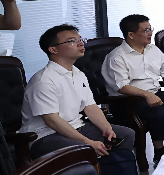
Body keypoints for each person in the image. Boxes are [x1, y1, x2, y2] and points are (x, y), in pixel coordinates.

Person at [20, 24, 137, 161]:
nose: (81, 43)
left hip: (78, 126)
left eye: (81, 40)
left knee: (125, 134)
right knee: (84, 149)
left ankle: (111, 172)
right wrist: (88, 142)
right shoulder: (43, 80)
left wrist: (107, 128)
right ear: (53, 49)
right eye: (72, 41)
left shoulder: (78, 73)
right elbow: (52, 120)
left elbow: (90, 106)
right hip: (45, 135)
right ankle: (99, 172)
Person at [104, 14, 164, 165]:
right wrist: (146, 94)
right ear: (131, 35)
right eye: (146, 30)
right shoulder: (117, 57)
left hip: (154, 93)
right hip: (127, 101)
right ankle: (159, 153)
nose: (150, 33)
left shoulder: (152, 49)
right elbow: (122, 86)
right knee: (159, 112)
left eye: (150, 29)